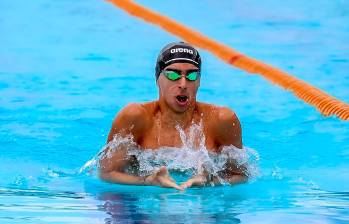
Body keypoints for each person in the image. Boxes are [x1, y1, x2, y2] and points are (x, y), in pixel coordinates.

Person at [99, 42, 246, 190]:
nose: (183, 83)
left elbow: (241, 175)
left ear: (199, 81)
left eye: (192, 75)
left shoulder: (221, 120)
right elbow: (107, 173)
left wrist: (211, 181)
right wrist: (148, 181)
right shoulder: (135, 117)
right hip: (144, 202)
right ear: (158, 78)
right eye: (173, 74)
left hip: (203, 204)